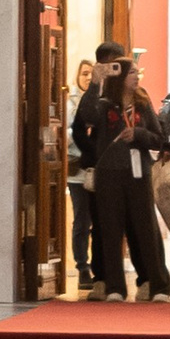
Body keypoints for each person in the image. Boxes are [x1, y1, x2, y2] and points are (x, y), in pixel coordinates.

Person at [72, 42, 170, 300]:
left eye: (136, 72)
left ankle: (159, 286)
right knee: (110, 229)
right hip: (109, 174)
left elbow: (159, 138)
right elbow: (86, 116)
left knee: (146, 229)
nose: (137, 76)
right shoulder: (104, 103)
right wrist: (95, 82)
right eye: (132, 73)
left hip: (139, 174)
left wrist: (137, 133)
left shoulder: (143, 101)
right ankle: (115, 287)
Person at [64, 56, 98, 294]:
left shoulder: (100, 100)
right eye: (84, 73)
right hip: (77, 169)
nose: (87, 77)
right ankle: (82, 266)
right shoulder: (69, 102)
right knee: (82, 220)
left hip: (99, 169)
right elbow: (62, 131)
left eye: (91, 74)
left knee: (100, 221)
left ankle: (100, 266)